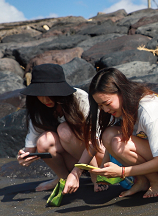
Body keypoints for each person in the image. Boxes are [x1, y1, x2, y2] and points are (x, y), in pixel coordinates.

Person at [85, 68, 158, 198]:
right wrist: (102, 169)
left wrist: (122, 172)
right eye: (100, 106)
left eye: (107, 103)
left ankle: (157, 182)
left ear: (121, 92)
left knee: (118, 142)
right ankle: (142, 181)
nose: (105, 110)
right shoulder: (127, 104)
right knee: (108, 134)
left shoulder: (150, 110)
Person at [16, 63, 106, 194]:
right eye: (40, 94)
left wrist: (81, 172)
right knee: (43, 141)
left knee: (64, 130)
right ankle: (63, 179)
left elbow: (94, 139)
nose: (45, 99)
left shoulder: (79, 99)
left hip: (98, 154)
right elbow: (30, 148)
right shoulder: (38, 110)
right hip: (73, 160)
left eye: (50, 94)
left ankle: (95, 175)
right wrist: (24, 158)